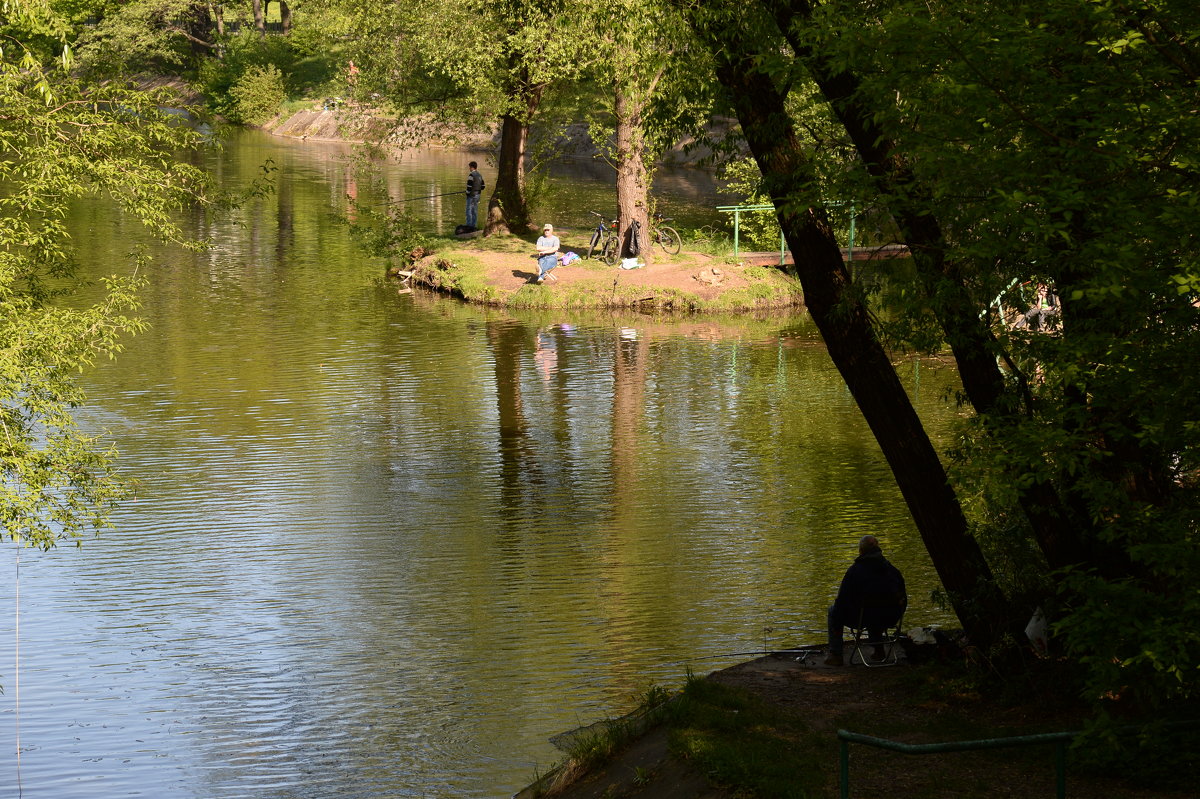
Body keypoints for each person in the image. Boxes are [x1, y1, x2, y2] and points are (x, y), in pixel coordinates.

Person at [825, 535, 907, 666]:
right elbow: (903, 597)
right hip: (891, 617)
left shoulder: (854, 572)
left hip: (863, 618)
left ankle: (836, 654)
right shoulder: (892, 570)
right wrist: (898, 613)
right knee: (875, 610)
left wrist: (838, 617)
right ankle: (879, 650)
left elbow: (841, 601)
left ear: (861, 551)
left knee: (833, 611)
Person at [465, 162, 485, 229]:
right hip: (478, 195)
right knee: (475, 211)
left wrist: (467, 193)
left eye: (469, 167)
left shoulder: (471, 175)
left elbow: (469, 186)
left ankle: (469, 226)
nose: (469, 168)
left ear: (472, 167)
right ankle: (474, 226)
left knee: (469, 210)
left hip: (471, 195)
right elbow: (483, 186)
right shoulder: (480, 175)